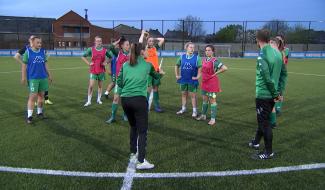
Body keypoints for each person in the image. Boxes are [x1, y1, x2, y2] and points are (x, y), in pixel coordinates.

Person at [117, 40, 164, 169]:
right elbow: (156, 79)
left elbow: (119, 83)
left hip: (125, 100)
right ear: (142, 52)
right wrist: (160, 74)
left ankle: (133, 153)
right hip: (138, 100)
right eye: (146, 50)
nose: (148, 52)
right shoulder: (147, 65)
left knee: (133, 127)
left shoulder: (126, 65)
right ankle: (142, 161)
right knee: (142, 131)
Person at [248, 29, 282, 160]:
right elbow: (281, 74)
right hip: (273, 93)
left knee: (264, 122)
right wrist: (277, 92)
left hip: (264, 94)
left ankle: (269, 152)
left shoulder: (263, 54)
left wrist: (274, 93)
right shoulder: (277, 52)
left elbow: (267, 78)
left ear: (257, 40)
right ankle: (256, 142)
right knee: (263, 119)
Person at [21, 36, 52, 124]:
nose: (39, 44)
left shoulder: (42, 52)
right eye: (38, 42)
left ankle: (40, 113)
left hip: (43, 78)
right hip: (33, 78)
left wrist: (49, 75)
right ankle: (29, 116)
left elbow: (45, 64)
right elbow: (24, 66)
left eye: (40, 43)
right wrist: (23, 77)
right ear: (33, 43)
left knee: (41, 96)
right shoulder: (28, 52)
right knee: (32, 97)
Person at [14, 35, 53, 105]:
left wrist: (44, 60)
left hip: (41, 70)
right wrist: (24, 64)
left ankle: (46, 99)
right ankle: (34, 101)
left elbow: (47, 54)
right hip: (31, 70)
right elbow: (16, 56)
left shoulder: (39, 47)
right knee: (33, 87)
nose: (32, 40)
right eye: (31, 39)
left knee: (43, 85)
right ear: (30, 40)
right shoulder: (26, 48)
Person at [196, 45, 228, 126]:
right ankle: (203, 115)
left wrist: (215, 74)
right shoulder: (204, 60)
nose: (207, 52)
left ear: (213, 51)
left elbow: (225, 68)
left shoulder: (215, 61)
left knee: (212, 101)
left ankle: (213, 119)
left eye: (209, 50)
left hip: (212, 84)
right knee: (204, 100)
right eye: (206, 50)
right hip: (204, 83)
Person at [105, 37, 130, 124]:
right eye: (126, 44)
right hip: (119, 81)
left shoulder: (131, 55)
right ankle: (113, 117)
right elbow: (111, 47)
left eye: (128, 45)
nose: (128, 46)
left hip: (128, 81)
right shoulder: (118, 53)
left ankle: (125, 115)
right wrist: (118, 41)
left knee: (126, 100)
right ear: (122, 46)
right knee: (116, 99)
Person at [139, 30, 165, 112]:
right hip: (148, 72)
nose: (151, 42)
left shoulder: (155, 48)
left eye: (152, 41)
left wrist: (154, 38)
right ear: (147, 42)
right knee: (148, 89)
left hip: (156, 71)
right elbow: (140, 42)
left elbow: (162, 40)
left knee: (156, 89)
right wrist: (143, 34)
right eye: (150, 41)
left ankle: (157, 106)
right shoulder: (144, 49)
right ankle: (145, 106)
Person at [82, 36, 111, 107]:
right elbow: (83, 56)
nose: (99, 42)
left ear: (101, 42)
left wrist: (106, 63)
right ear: (95, 42)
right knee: (91, 86)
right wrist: (89, 63)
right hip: (93, 70)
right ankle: (89, 101)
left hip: (101, 70)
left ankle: (99, 99)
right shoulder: (91, 49)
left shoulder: (105, 50)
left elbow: (110, 57)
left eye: (100, 41)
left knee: (100, 86)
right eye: (97, 41)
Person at [175, 42, 202, 118]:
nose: (192, 49)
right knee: (183, 94)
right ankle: (183, 109)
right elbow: (176, 65)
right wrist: (177, 75)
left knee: (193, 96)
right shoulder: (182, 57)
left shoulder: (197, 58)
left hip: (192, 80)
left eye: (193, 47)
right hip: (183, 79)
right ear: (186, 48)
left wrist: (197, 76)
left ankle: (194, 111)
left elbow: (200, 68)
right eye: (190, 47)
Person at [269, 38, 288, 128]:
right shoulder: (273, 54)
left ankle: (273, 119)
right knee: (271, 102)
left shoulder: (280, 54)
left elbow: (283, 73)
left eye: (272, 43)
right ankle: (272, 122)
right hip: (273, 83)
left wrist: (281, 86)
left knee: (271, 101)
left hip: (274, 83)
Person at [275, 34, 289, 115]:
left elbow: (285, 62)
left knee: (280, 91)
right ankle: (274, 106)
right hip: (275, 72)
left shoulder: (285, 50)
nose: (278, 41)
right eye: (277, 39)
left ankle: (278, 107)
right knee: (274, 90)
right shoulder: (273, 49)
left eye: (279, 40)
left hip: (281, 73)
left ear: (283, 41)